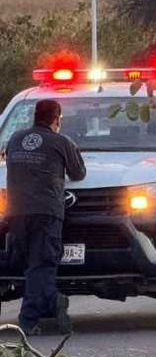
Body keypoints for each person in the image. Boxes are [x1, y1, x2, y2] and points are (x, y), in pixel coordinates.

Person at [5, 100, 86, 334]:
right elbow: (78, 172)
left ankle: (51, 303)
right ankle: (31, 318)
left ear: (34, 116)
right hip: (46, 211)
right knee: (42, 264)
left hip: (17, 211)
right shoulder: (61, 142)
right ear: (57, 119)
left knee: (27, 263)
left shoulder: (15, 139)